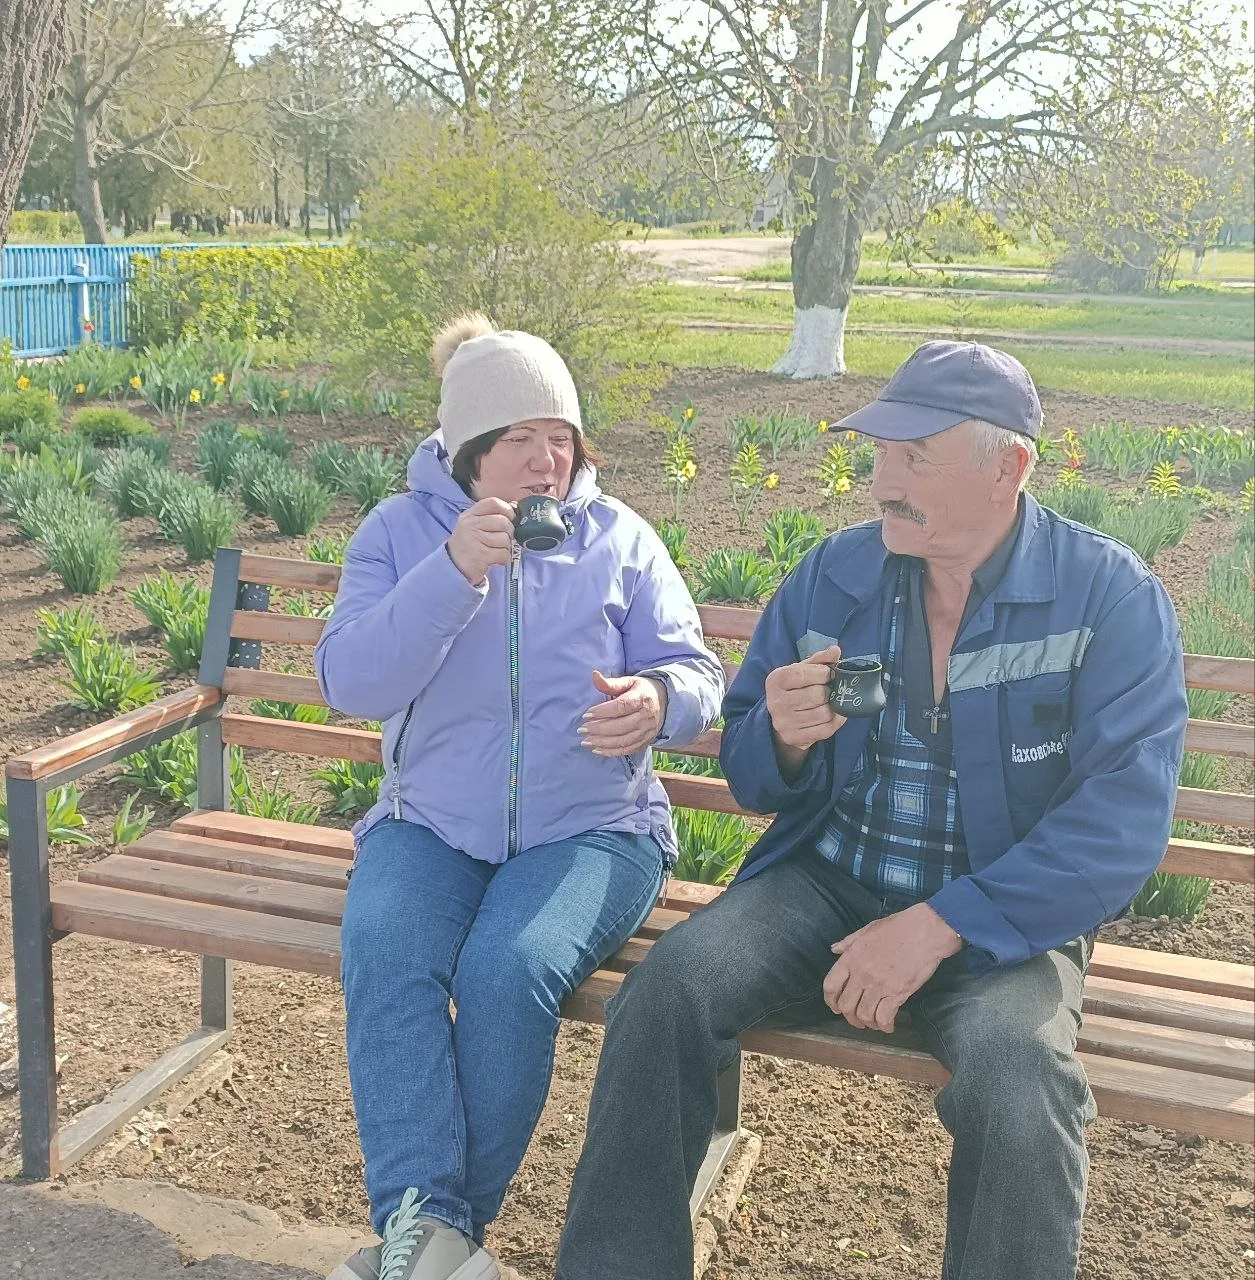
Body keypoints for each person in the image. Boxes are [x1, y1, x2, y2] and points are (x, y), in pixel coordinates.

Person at [555, 341, 1188, 1280]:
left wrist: (940, 925)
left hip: (1004, 919)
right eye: (880, 453)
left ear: (1008, 467)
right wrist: (782, 737)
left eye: (913, 458)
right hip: (828, 885)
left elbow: (1119, 827)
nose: (881, 482)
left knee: (1021, 1081)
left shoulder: (1107, 597)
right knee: (667, 995)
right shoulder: (835, 574)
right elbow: (749, 769)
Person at [316, 314, 725, 1280]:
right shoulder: (397, 533)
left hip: (595, 829)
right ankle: (436, 1238)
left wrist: (657, 701)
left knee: (508, 970)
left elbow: (697, 673)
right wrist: (454, 571)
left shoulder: (620, 538)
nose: (547, 460)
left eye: (560, 437)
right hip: (430, 821)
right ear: (468, 452)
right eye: (519, 439)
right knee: (386, 952)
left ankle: (427, 1241)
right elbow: (351, 682)